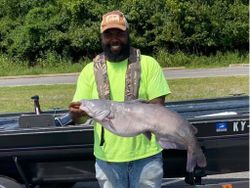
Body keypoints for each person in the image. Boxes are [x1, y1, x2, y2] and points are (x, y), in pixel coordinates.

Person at [69, 10, 171, 188]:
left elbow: (158, 109)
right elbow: (80, 117)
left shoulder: (148, 64)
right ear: (102, 37)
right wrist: (76, 114)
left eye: (119, 33)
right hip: (107, 160)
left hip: (146, 157)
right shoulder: (88, 71)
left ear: (128, 34)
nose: (114, 39)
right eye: (109, 34)